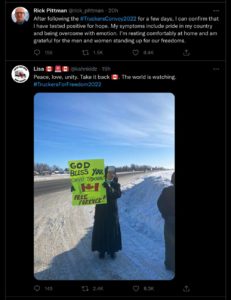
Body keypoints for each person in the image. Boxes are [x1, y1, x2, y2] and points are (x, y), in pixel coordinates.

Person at [92, 166, 122, 259]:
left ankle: (112, 250)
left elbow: (117, 195)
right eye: (109, 172)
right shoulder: (98, 183)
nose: (111, 174)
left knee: (112, 231)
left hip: (111, 212)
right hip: (101, 212)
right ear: (105, 173)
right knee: (101, 231)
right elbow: (88, 193)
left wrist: (108, 187)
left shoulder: (116, 184)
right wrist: (76, 189)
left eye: (113, 173)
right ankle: (101, 250)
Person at [157, 172, 175, 271]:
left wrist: (165, 215)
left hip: (170, 221)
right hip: (170, 219)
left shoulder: (167, 191)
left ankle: (169, 264)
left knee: (169, 243)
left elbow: (159, 203)